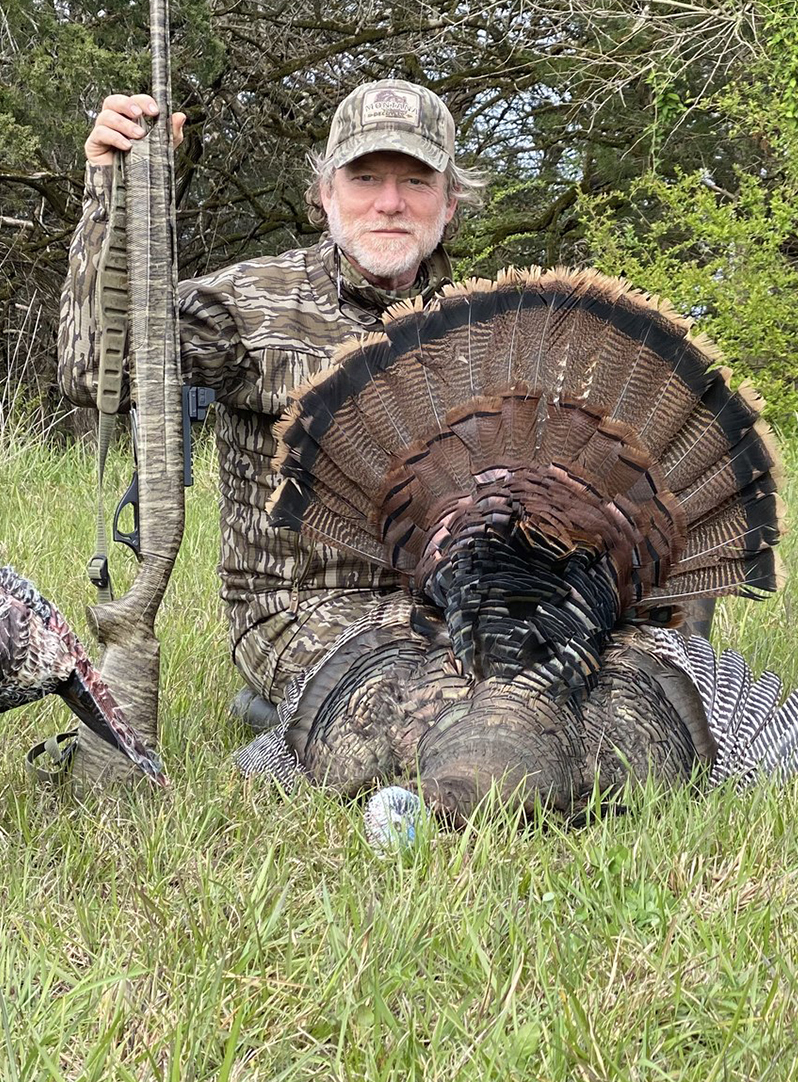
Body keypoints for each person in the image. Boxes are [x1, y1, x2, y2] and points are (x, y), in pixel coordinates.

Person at [57, 79, 489, 725]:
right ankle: (286, 718)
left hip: (448, 602)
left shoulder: (487, 323)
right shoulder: (251, 302)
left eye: (417, 181)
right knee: (446, 712)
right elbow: (95, 370)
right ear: (324, 193)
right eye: (365, 177)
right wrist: (107, 196)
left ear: (450, 201)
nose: (390, 203)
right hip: (299, 611)